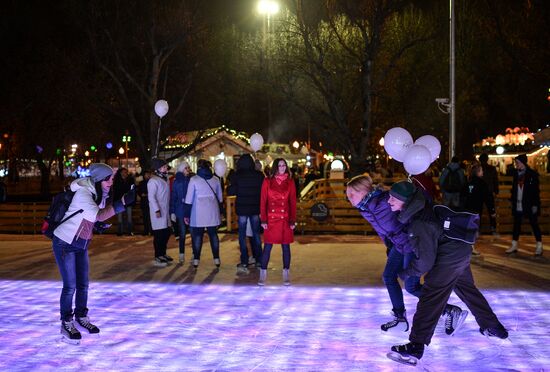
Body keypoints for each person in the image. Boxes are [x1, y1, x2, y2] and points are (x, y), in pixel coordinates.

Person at [386, 181, 508, 366]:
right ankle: (493, 327)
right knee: (467, 290)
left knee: (431, 296)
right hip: (461, 250)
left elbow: (425, 261)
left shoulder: (420, 220)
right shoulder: (425, 208)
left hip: (450, 256)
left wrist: (406, 272)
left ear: (405, 201)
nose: (389, 201)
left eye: (393, 198)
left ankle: (415, 347)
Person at [346, 175, 465, 333]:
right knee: (388, 276)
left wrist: (418, 241)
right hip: (398, 244)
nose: (349, 198)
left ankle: (449, 310)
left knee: (411, 286)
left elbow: (410, 214)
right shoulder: (366, 208)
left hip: (411, 243)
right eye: (347, 195)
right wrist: (389, 245)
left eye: (352, 194)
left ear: (363, 191)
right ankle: (400, 318)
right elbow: (383, 230)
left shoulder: (384, 201)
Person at [52, 163, 135, 344]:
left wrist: (97, 224)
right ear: (99, 179)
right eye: (109, 179)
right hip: (65, 242)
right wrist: (121, 203)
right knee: (70, 286)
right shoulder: (84, 193)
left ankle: (81, 316)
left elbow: (92, 217)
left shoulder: (99, 194)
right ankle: (66, 322)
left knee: (84, 284)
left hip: (80, 243)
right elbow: (98, 215)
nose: (112, 182)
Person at [258, 158, 297, 286]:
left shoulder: (290, 182)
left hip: (285, 218)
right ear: (275, 167)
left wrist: (292, 219)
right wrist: (263, 219)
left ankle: (286, 272)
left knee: (286, 247)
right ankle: (263, 273)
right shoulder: (267, 181)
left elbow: (292, 202)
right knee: (267, 247)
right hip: (271, 219)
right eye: (280, 165)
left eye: (284, 165)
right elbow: (263, 202)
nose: (282, 167)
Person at [228, 154, 264, 274]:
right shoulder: (259, 176)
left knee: (242, 236)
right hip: (255, 208)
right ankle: (259, 260)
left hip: (242, 209)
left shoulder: (237, 176)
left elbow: (231, 191)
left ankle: (244, 261)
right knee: (256, 235)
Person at [184, 159, 223, 269]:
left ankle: (196, 259)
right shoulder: (215, 179)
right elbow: (220, 198)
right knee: (213, 235)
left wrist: (186, 214)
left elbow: (188, 199)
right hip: (212, 211)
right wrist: (220, 212)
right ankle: (216, 258)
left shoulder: (194, 180)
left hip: (198, 213)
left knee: (197, 236)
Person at [505, 154, 543, 256]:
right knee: (516, 224)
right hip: (518, 202)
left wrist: (535, 204)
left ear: (522, 163)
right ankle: (514, 245)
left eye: (517, 162)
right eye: (515, 162)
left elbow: (535, 191)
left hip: (529, 204)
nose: (516, 164)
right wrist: (512, 199)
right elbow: (514, 188)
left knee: (534, 224)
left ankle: (539, 245)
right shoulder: (516, 174)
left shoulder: (532, 175)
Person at [462, 163, 496, 255]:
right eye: (481, 170)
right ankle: (471, 248)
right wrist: (492, 211)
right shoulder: (482, 183)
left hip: (467, 209)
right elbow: (488, 198)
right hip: (476, 210)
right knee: (474, 229)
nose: (483, 172)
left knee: (469, 228)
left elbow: (463, 196)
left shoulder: (468, 182)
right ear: (478, 172)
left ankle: (469, 247)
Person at [148, 158, 173, 267]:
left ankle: (163, 253)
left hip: (165, 210)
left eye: (165, 166)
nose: (166, 168)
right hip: (158, 211)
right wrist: (156, 209)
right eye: (163, 167)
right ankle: (158, 255)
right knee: (159, 234)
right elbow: (151, 197)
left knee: (166, 232)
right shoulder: (153, 181)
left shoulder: (164, 179)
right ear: (157, 169)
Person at [170, 161, 192, 264]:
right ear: (182, 169)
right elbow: (173, 197)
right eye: (186, 168)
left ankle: (194, 254)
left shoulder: (191, 180)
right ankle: (181, 254)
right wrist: (172, 211)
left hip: (190, 210)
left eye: (188, 168)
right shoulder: (176, 182)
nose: (188, 170)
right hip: (180, 211)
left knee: (193, 233)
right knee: (182, 234)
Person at [479, 153, 499, 235]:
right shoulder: (492, 168)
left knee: (478, 211)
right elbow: (495, 180)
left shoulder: (477, 168)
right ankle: (493, 228)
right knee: (492, 211)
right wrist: (496, 191)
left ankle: (478, 229)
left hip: (479, 192)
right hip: (489, 192)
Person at [113, 167, 135, 236]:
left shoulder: (130, 180)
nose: (125, 173)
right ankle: (120, 231)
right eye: (124, 172)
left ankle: (129, 231)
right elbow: (115, 191)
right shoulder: (117, 181)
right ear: (120, 173)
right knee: (120, 218)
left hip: (128, 201)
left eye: (126, 172)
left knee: (129, 218)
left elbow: (132, 190)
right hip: (119, 201)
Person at [137, 171, 152, 236]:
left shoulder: (152, 182)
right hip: (144, 202)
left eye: (149, 174)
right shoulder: (141, 183)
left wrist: (146, 194)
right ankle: (146, 230)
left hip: (151, 202)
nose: (148, 175)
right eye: (146, 174)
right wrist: (141, 194)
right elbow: (139, 191)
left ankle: (151, 230)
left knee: (151, 217)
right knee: (145, 217)